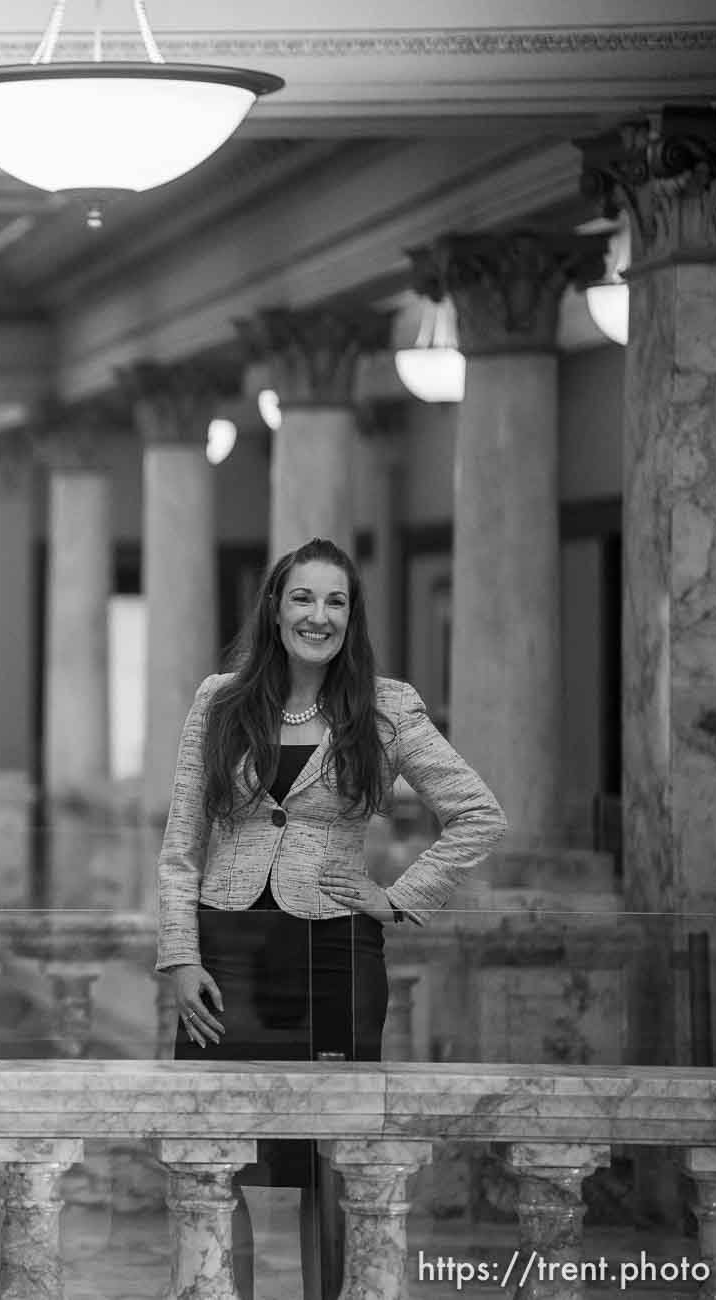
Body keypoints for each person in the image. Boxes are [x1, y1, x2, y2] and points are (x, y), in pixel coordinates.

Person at [155, 536, 506, 1300]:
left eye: (337, 600)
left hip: (335, 955)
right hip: (228, 955)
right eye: (305, 597)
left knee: (336, 1160)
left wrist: (400, 895)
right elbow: (182, 843)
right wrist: (180, 957)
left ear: (352, 615)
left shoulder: (386, 706)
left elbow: (479, 814)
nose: (320, 615)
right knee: (213, 1155)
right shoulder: (218, 701)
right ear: (276, 607)